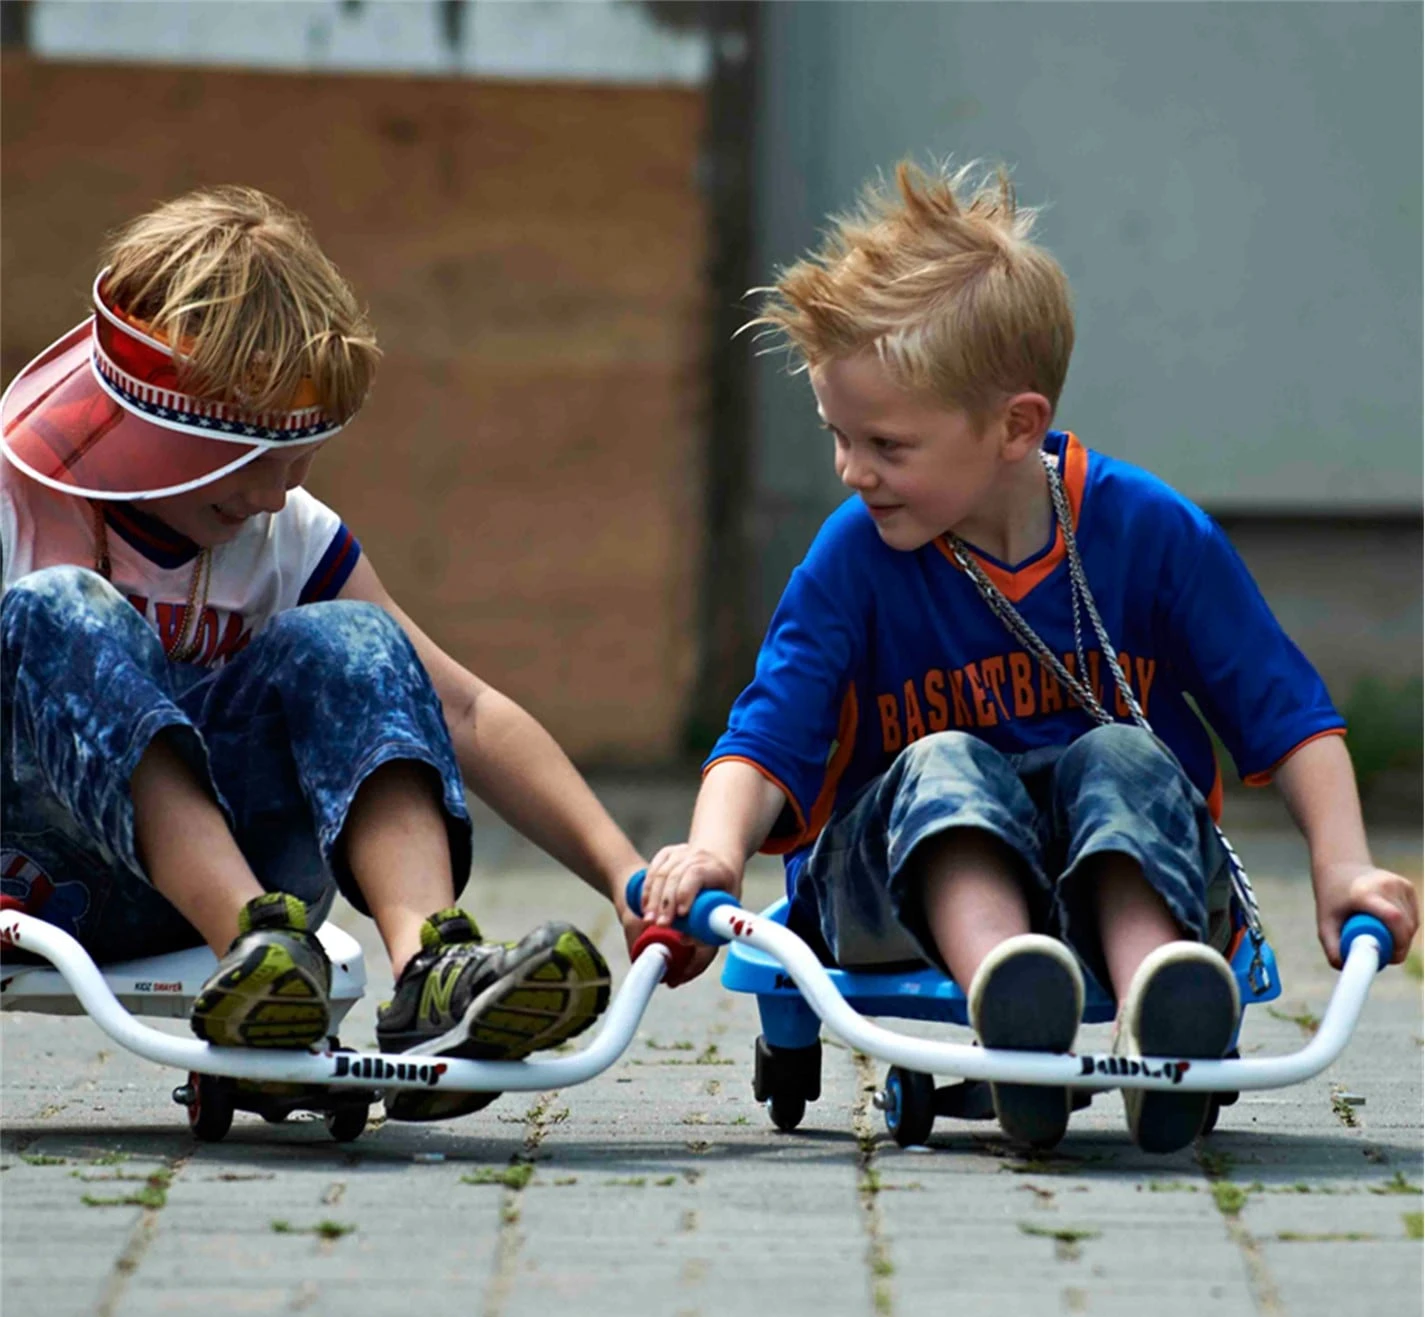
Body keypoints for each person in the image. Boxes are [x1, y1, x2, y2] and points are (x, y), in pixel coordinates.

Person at [639, 159, 1420, 1154]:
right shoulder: (855, 556)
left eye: (886, 444)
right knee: (944, 761)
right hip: (899, 893)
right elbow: (766, 732)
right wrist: (713, 848)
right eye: (839, 436)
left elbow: (1289, 714)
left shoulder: (1146, 531)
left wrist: (1343, 868)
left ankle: (1156, 1001)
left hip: (1122, 872)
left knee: (1128, 759)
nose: (852, 471)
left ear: (1016, 427)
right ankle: (1013, 992)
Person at [1, 186, 649, 1122]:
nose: (274, 494)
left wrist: (626, 876)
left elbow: (463, 712)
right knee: (60, 609)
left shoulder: (291, 541)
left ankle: (427, 971)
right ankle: (254, 953)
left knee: (354, 638)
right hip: (29, 871)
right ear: (156, 422)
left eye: (301, 456)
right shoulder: (21, 506)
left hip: (194, 904)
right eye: (249, 455)